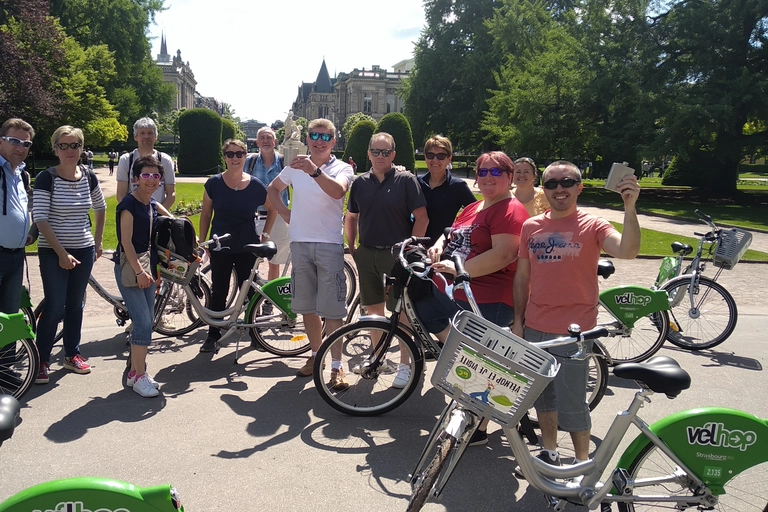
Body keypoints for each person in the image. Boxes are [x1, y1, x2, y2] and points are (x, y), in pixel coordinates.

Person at [512, 160, 640, 470]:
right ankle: (550, 452)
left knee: (572, 404)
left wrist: (630, 207)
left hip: (575, 332)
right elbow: (522, 277)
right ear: (544, 189)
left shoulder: (593, 225)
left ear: (579, 187)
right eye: (551, 183)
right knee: (543, 399)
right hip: (535, 327)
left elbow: (627, 251)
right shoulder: (531, 226)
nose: (559, 189)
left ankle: (583, 465)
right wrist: (518, 321)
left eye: (566, 182)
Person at [417, 151, 529, 444]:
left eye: (496, 171)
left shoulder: (510, 210)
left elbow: (504, 254)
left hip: (490, 297)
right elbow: (452, 232)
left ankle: (478, 426)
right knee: (423, 307)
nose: (489, 177)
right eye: (483, 172)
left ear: (509, 176)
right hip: (460, 291)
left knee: (483, 363)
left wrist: (458, 269)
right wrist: (439, 245)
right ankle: (456, 362)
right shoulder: (475, 207)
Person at [266, 119, 354, 387]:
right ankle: (316, 356)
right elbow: (273, 189)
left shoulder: (343, 168)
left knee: (333, 309)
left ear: (334, 141)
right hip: (301, 243)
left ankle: (337, 366)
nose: (319, 141)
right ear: (307, 138)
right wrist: (285, 213)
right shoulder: (295, 167)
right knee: (307, 307)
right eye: (314, 135)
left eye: (325, 137)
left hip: (329, 244)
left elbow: (338, 191)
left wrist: (314, 171)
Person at [345, 132, 429, 388]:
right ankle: (378, 356)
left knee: (401, 312)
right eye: (375, 151)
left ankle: (406, 364)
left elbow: (422, 218)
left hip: (396, 255)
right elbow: (351, 216)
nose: (380, 156)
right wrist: (353, 246)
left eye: (385, 152)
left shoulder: (406, 180)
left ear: (393, 154)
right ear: (368, 153)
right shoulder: (360, 183)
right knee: (373, 311)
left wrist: (410, 250)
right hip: (367, 252)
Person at [33, 126, 106, 384]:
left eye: (75, 145)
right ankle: (41, 360)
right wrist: (62, 254)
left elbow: (101, 207)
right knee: (54, 307)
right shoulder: (47, 178)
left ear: (81, 148)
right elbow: (40, 218)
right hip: (53, 252)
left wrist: (97, 242)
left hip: (83, 249)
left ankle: (71, 354)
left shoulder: (88, 176)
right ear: (55, 149)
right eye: (63, 146)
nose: (69, 150)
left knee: (75, 305)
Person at [198, 139, 269, 353]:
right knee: (219, 289)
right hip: (221, 243)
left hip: (247, 243)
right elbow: (206, 214)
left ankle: (255, 333)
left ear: (246, 156)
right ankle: (213, 334)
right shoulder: (214, 183)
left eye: (239, 154)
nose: (235, 158)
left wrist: (264, 234)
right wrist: (203, 242)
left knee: (249, 290)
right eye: (230, 154)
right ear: (225, 157)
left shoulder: (255, 185)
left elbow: (272, 209)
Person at [114, 155, 172, 397]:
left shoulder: (151, 203)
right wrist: (139, 272)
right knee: (143, 323)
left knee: (147, 320)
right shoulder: (129, 204)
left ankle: (133, 373)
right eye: (145, 175)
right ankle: (140, 376)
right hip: (132, 266)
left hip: (148, 264)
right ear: (135, 179)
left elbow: (172, 220)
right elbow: (125, 242)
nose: (151, 180)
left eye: (156, 176)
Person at [0, 119, 36, 385]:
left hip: (16, 255)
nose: (20, 147)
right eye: (14, 141)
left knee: (10, 316)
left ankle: (4, 371)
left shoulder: (21, 174)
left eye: (26, 143)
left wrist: (28, 233)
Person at [245, 127, 289, 282]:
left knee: (274, 262)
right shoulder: (249, 162)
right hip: (255, 217)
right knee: (251, 262)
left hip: (278, 218)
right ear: (257, 142)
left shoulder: (284, 162)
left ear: (275, 141)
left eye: (269, 137)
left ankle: (270, 296)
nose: (266, 141)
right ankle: (252, 294)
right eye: (262, 138)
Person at [417, 135, 475, 247]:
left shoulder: (458, 186)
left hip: (443, 247)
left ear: (449, 158)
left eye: (441, 156)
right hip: (415, 246)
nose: (435, 160)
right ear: (425, 157)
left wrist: (456, 229)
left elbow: (476, 213)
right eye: (430, 155)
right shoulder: (417, 183)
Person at [116, 117, 176, 210]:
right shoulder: (126, 160)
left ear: (156, 137)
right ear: (135, 137)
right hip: (133, 214)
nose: (146, 136)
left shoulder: (165, 160)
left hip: (159, 215)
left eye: (150, 133)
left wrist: (156, 215)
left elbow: (171, 194)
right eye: (142, 133)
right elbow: (121, 194)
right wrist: (131, 213)